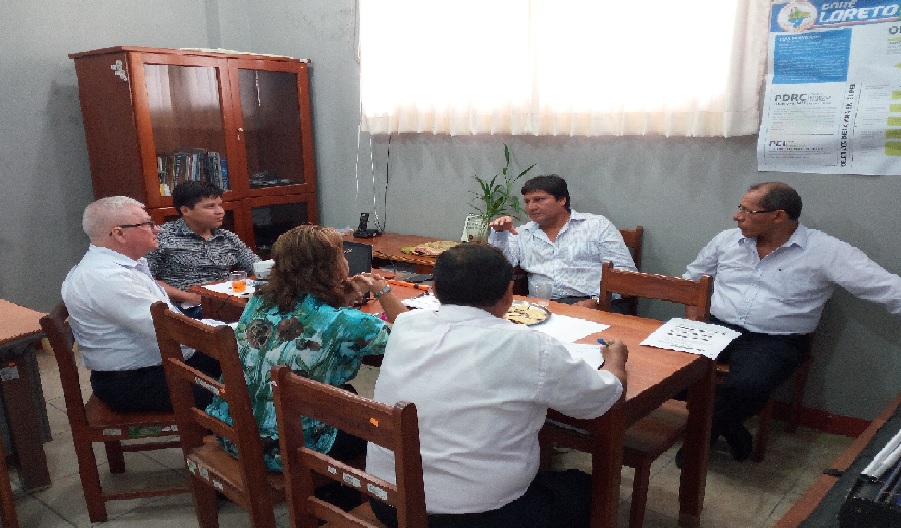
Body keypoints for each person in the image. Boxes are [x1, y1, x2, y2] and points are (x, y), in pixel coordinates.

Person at [366, 244, 628, 528]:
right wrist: (616, 360)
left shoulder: (406, 324)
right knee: (584, 488)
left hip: (389, 503)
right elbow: (604, 398)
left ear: (434, 290)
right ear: (509, 294)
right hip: (476, 518)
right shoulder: (529, 345)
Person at [683, 182, 901, 462]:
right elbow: (691, 282)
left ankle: (698, 441)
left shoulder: (826, 250)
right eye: (740, 208)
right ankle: (732, 428)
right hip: (716, 326)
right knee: (666, 369)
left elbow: (884, 287)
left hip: (776, 339)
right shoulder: (726, 240)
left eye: (748, 211)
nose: (737, 216)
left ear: (778, 216)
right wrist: (696, 322)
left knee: (748, 386)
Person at [205, 224, 407, 472]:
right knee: (380, 424)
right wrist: (382, 290)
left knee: (347, 394)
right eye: (342, 256)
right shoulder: (347, 322)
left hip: (233, 431)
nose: (346, 261)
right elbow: (409, 335)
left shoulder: (259, 300)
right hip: (288, 448)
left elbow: (309, 317)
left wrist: (339, 294)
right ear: (329, 267)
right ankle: (345, 489)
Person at [61, 196, 221, 413]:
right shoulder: (108, 278)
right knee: (239, 393)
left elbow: (174, 326)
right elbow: (175, 333)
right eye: (147, 224)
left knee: (245, 365)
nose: (157, 229)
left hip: (156, 363)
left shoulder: (123, 266)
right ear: (119, 233)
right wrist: (235, 331)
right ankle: (217, 434)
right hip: (134, 381)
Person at [488, 174, 636, 310]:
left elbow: (626, 276)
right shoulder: (522, 232)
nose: (531, 207)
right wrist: (500, 233)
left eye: (539, 200)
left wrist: (597, 301)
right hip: (541, 306)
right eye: (527, 202)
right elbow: (501, 266)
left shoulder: (597, 225)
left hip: (593, 304)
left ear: (562, 200)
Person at [146, 181, 259, 318]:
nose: (220, 211)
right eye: (210, 206)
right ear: (185, 210)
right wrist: (189, 297)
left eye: (220, 205)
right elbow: (146, 279)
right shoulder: (161, 237)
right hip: (188, 308)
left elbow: (257, 267)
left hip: (228, 301)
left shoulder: (227, 237)